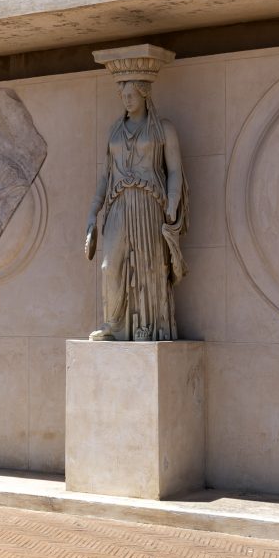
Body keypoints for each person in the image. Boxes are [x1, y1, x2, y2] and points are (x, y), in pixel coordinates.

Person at [86, 45, 188, 341]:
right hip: (118, 203)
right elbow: (105, 175)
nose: (126, 100)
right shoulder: (115, 130)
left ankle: (148, 326)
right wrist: (92, 213)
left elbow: (175, 171)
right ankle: (113, 324)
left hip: (149, 203)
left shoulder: (164, 129)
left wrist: (173, 202)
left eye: (131, 94)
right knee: (109, 266)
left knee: (149, 264)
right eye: (123, 95)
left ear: (144, 93)